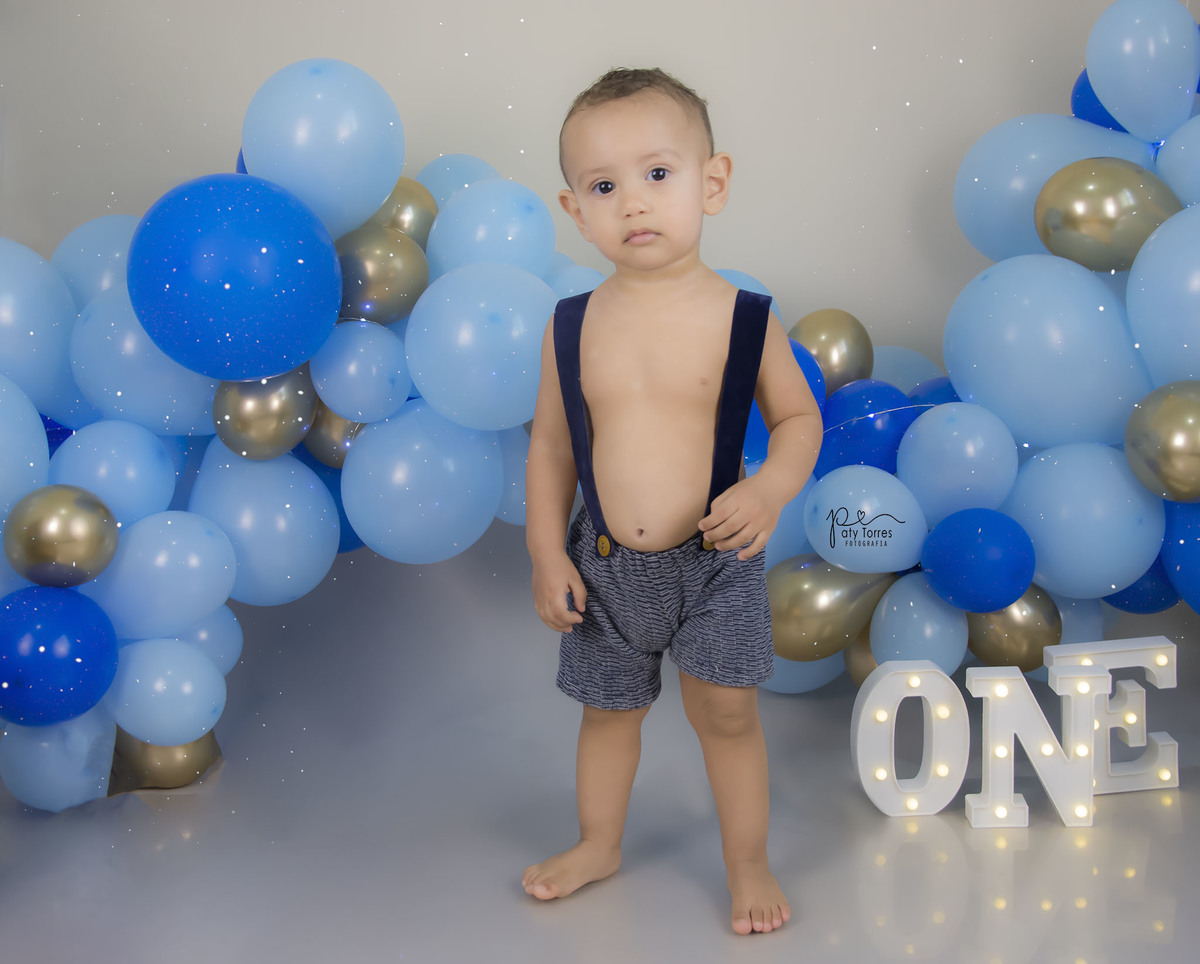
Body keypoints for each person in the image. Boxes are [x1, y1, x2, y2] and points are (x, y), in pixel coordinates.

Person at [522, 67, 822, 936]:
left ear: (711, 183)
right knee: (608, 712)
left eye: (658, 173)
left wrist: (770, 486)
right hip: (605, 566)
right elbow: (551, 448)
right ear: (575, 211)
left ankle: (748, 861)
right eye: (603, 187)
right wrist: (544, 551)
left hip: (714, 561)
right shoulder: (571, 324)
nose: (634, 202)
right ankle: (598, 842)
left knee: (725, 714)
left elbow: (799, 418)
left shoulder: (743, 317)